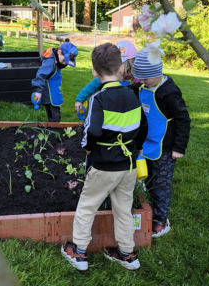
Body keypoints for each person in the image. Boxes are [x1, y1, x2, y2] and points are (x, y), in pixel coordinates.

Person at [61, 43, 147, 271]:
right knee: (124, 210)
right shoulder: (132, 95)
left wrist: (88, 148)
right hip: (128, 167)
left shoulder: (98, 99)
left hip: (104, 167)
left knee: (87, 206)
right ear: (121, 68)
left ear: (94, 72)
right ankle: (127, 254)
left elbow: (92, 131)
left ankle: (79, 252)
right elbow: (143, 126)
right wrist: (136, 147)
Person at [130, 46, 191, 238]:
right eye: (139, 78)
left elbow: (184, 120)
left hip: (165, 148)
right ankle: (149, 208)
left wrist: (179, 147)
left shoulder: (170, 93)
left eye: (145, 78)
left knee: (162, 184)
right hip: (146, 144)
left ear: (156, 72)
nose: (142, 82)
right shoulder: (142, 87)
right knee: (148, 179)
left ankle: (161, 220)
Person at [74, 40, 137, 115]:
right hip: (110, 110)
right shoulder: (106, 77)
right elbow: (91, 87)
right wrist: (79, 99)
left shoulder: (137, 79)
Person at [32, 42, 78, 122]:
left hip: (54, 91)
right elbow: (40, 75)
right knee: (54, 117)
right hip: (50, 96)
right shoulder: (50, 62)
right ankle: (53, 128)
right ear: (59, 52)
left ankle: (53, 126)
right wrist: (38, 91)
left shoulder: (56, 58)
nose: (64, 64)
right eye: (64, 60)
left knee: (54, 114)